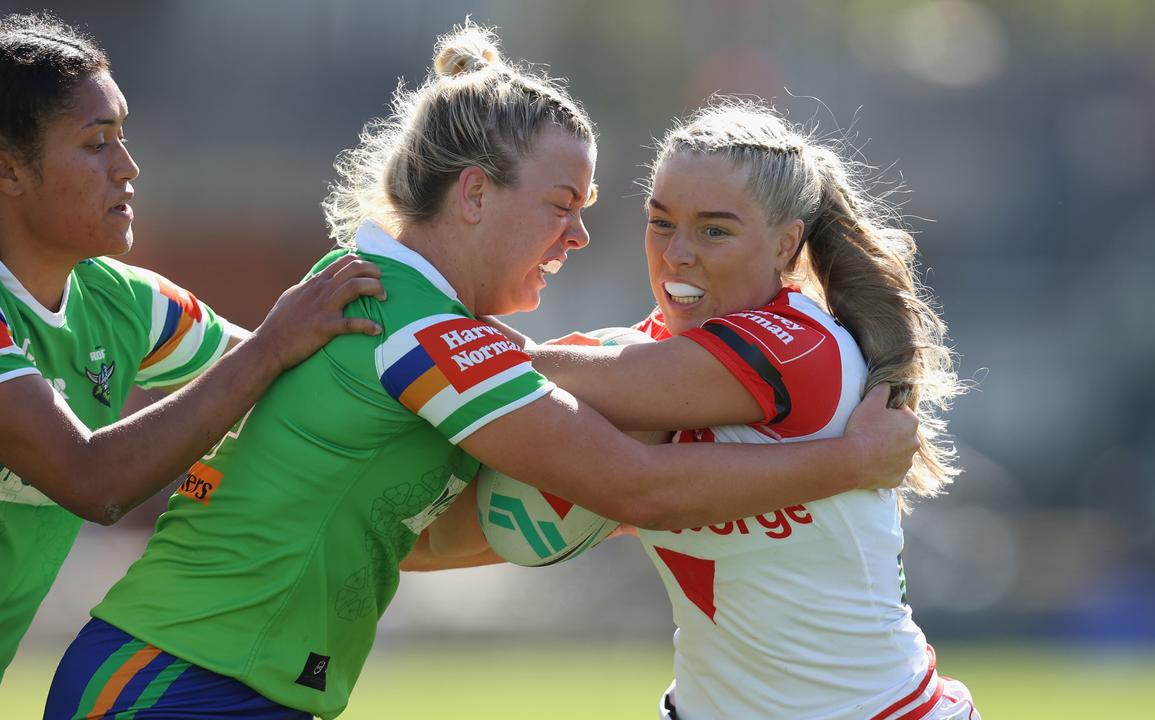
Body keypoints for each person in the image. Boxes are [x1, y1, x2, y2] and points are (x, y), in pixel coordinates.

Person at [43, 23, 919, 720]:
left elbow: (420, 536)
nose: (577, 238)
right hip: (179, 682)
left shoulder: (380, 300)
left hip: (202, 675)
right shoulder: (427, 337)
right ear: (472, 196)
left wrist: (583, 499)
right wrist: (850, 464)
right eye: (562, 207)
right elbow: (638, 487)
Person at [411, 98, 979, 719]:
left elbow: (619, 455)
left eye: (715, 229)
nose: (676, 253)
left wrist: (413, 330)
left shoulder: (801, 346)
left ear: (786, 245)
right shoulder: (642, 358)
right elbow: (481, 531)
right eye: (660, 222)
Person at [0, 11, 387, 682]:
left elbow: (306, 373)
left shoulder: (123, 304)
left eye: (123, 136)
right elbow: (94, 480)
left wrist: (537, 382)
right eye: (97, 143)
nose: (128, 166)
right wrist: (269, 347)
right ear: (8, 169)